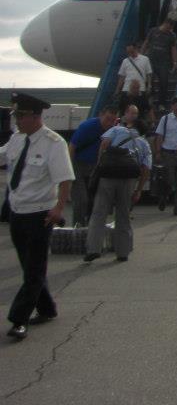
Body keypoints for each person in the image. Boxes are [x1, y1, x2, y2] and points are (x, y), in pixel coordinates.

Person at [1, 93, 74, 341]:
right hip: (17, 212)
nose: (17, 120)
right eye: (16, 115)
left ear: (35, 116)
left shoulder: (54, 143)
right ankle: (47, 308)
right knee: (28, 265)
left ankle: (19, 319)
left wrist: (58, 208)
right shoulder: (17, 139)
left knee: (34, 269)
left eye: (21, 116)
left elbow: (65, 178)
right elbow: (3, 156)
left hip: (40, 214)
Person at [84, 105, 150, 263]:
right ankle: (123, 252)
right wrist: (139, 190)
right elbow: (146, 168)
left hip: (108, 176)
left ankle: (93, 248)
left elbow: (104, 144)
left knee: (99, 213)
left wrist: (100, 165)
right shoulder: (144, 143)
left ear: (131, 125)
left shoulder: (117, 130)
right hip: (128, 180)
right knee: (123, 214)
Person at [67, 106, 118, 226]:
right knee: (81, 200)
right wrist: (69, 170)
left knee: (95, 200)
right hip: (79, 164)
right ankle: (78, 226)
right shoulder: (88, 127)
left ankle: (92, 227)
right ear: (101, 115)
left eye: (113, 120)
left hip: (95, 167)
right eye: (107, 119)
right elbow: (72, 147)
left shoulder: (114, 130)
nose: (109, 123)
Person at [143, 19, 177, 109]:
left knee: (164, 82)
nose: (169, 30)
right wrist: (141, 55)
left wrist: (175, 62)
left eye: (170, 28)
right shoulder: (153, 31)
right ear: (164, 24)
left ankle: (161, 103)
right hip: (151, 60)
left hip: (164, 62)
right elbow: (146, 42)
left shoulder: (172, 35)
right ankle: (149, 100)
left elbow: (173, 49)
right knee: (149, 81)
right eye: (168, 28)